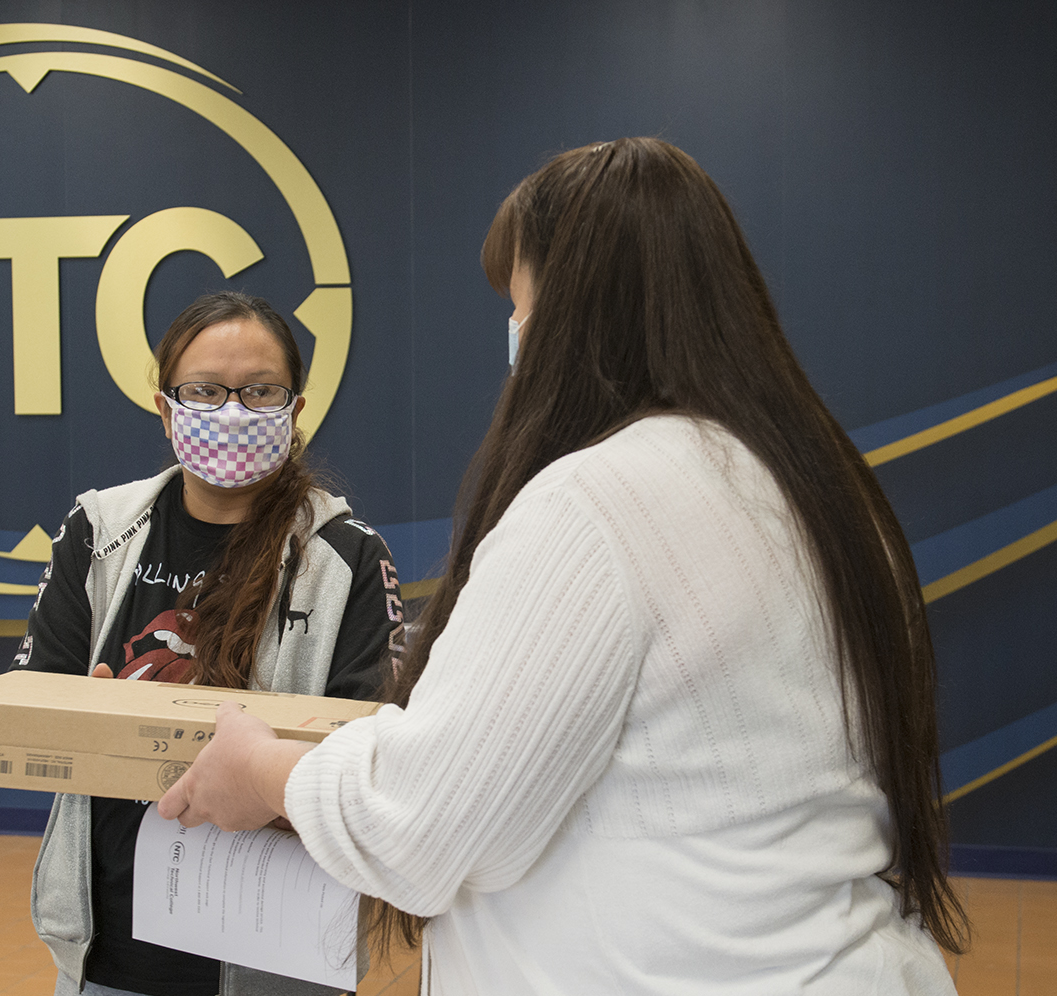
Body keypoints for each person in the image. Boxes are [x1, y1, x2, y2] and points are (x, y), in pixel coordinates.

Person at [160, 139, 970, 994]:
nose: (515, 335)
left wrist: (262, 772)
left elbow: (425, 828)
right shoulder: (812, 487)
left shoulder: (595, 501)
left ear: (578, 311)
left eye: (520, 302)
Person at [12, 291, 403, 996]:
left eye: (259, 391)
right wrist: (84, 721)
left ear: (295, 411)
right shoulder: (99, 532)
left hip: (274, 952)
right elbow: (34, 708)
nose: (231, 411)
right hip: (111, 951)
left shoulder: (346, 558)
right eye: (203, 391)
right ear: (165, 410)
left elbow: (370, 752)